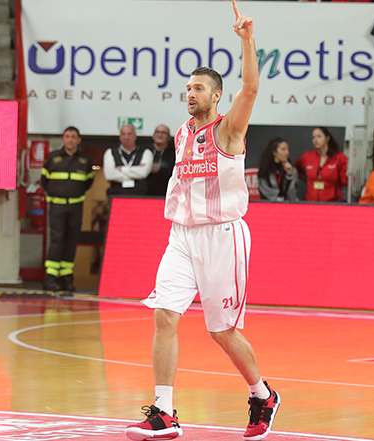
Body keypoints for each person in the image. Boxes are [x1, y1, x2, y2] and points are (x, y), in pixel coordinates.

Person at [125, 2, 280, 441]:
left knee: (222, 331)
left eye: (199, 88)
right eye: (188, 87)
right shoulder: (181, 132)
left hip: (222, 236)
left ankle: (263, 395)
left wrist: (248, 40)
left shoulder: (229, 130)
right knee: (165, 316)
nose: (190, 93)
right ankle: (164, 412)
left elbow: (250, 87)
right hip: (181, 236)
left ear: (216, 97)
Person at [40, 127, 94, 292]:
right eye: (67, 136)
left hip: (75, 206)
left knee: (71, 241)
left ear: (79, 140)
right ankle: (50, 278)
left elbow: (88, 182)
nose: (70, 140)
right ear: (63, 139)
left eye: (73, 137)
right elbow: (44, 180)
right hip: (57, 206)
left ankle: (66, 278)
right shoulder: (53, 158)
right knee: (57, 240)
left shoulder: (85, 160)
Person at [295, 127, 348, 202]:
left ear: (327, 138)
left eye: (319, 137)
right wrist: (305, 178)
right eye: (313, 137)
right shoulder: (307, 156)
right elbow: (295, 168)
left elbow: (346, 181)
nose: (315, 140)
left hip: (332, 202)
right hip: (311, 202)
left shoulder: (339, 157)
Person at [103, 124, 154, 195]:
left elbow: (143, 173)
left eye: (129, 134)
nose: (126, 137)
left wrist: (122, 169)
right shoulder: (110, 152)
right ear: (120, 137)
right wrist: (135, 174)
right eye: (123, 134)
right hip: (116, 195)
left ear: (135, 136)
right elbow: (109, 175)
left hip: (140, 195)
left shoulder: (146, 152)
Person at [257, 137, 297, 202]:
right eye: (283, 149)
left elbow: (292, 192)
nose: (287, 152)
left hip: (287, 205)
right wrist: (278, 199)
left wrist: (289, 175)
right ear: (275, 152)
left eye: (287, 149)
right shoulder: (265, 170)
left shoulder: (292, 170)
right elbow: (264, 191)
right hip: (269, 205)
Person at [146, 124, 176, 196]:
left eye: (163, 133)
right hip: (146, 188)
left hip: (166, 188)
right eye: (157, 132)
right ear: (153, 135)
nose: (160, 135)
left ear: (169, 137)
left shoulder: (174, 153)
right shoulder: (146, 150)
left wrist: (160, 169)